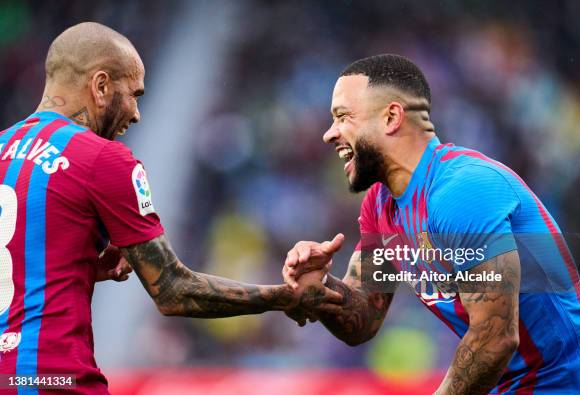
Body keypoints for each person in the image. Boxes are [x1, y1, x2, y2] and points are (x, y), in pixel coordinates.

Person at [0, 22, 341, 394]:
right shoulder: (103, 160)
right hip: (55, 380)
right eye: (133, 94)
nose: (136, 114)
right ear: (100, 86)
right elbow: (174, 291)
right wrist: (285, 296)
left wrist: (77, 267)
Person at [282, 54, 580, 394]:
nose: (329, 134)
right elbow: (362, 318)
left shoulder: (461, 191)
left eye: (342, 117)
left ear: (392, 117)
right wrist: (319, 287)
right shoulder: (381, 206)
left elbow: (495, 337)